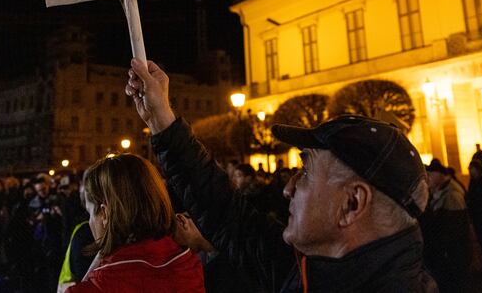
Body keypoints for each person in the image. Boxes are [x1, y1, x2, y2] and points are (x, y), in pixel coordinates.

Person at [125, 58, 436, 292]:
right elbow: (225, 212)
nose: (288, 188)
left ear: (352, 203)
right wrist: (161, 118)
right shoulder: (307, 266)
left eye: (306, 172)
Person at [67, 153, 205, 292]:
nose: (90, 221)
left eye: (90, 213)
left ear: (104, 214)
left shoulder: (98, 286)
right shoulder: (191, 267)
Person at [421, 159, 470, 292]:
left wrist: (445, 251)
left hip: (451, 254)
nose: (428, 177)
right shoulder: (439, 192)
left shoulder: (452, 195)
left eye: (431, 174)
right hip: (445, 253)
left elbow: (454, 230)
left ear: (440, 175)